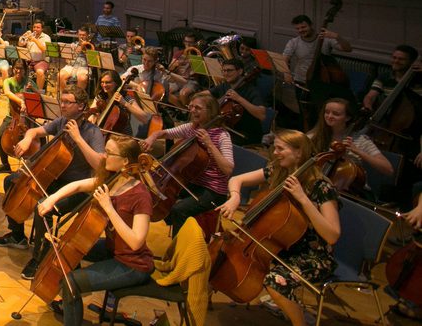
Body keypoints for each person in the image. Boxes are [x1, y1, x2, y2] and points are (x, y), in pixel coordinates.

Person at [218, 129, 340, 326]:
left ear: (299, 153)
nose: (274, 153)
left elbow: (332, 235)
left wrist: (303, 198)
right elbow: (237, 179)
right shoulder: (278, 171)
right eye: (275, 148)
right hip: (280, 245)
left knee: (275, 282)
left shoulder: (322, 187)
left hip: (312, 254)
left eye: (280, 149)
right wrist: (235, 197)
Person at [34, 137, 153, 325]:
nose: (104, 156)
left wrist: (109, 207)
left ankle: (73, 306)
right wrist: (52, 199)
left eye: (109, 153)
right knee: (69, 251)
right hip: (113, 249)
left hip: (133, 264)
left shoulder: (141, 195)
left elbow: (136, 241)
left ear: (125, 162)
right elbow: (78, 185)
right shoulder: (112, 180)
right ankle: (72, 302)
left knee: (71, 282)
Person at [0, 87, 106, 279]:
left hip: (77, 188)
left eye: (67, 102)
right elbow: (36, 130)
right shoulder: (62, 122)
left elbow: (99, 164)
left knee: (42, 208)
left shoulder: (92, 132)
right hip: (55, 178)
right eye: (61, 101)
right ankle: (18, 235)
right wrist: (28, 139)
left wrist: (78, 139)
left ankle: (39, 256)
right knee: (11, 181)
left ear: (81, 106)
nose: (62, 105)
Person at [142, 92, 233, 233]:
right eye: (191, 107)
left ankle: (180, 249)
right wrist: (152, 137)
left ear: (211, 111)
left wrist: (209, 144)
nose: (192, 111)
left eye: (197, 108)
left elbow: (228, 169)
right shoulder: (191, 128)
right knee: (153, 193)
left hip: (212, 190)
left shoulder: (222, 136)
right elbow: (164, 133)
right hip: (191, 182)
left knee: (178, 210)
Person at [307, 97, 393, 192]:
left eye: (336, 114)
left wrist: (358, 151)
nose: (329, 116)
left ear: (347, 118)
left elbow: (388, 169)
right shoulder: (314, 136)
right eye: (326, 112)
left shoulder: (360, 140)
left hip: (349, 192)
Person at [209, 58, 268, 146]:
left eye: (229, 70)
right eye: (223, 71)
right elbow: (203, 95)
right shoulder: (225, 86)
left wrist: (239, 98)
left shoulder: (251, 90)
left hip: (246, 135)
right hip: (228, 130)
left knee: (215, 142)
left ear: (240, 71)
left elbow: (262, 115)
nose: (225, 74)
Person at [283, 14, 352, 88]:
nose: (300, 30)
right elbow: (285, 59)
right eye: (297, 28)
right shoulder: (293, 42)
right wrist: (286, 73)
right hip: (301, 80)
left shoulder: (325, 38)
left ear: (311, 25)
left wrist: (337, 37)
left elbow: (348, 49)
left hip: (323, 79)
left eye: (303, 27)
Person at [18, 21, 52, 91]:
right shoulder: (30, 35)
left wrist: (35, 40)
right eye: (34, 27)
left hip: (41, 60)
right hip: (29, 60)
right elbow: (20, 44)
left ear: (42, 29)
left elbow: (44, 49)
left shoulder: (46, 37)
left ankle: (39, 92)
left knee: (40, 72)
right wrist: (24, 36)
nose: (35, 29)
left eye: (38, 27)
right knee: (17, 68)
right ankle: (20, 89)